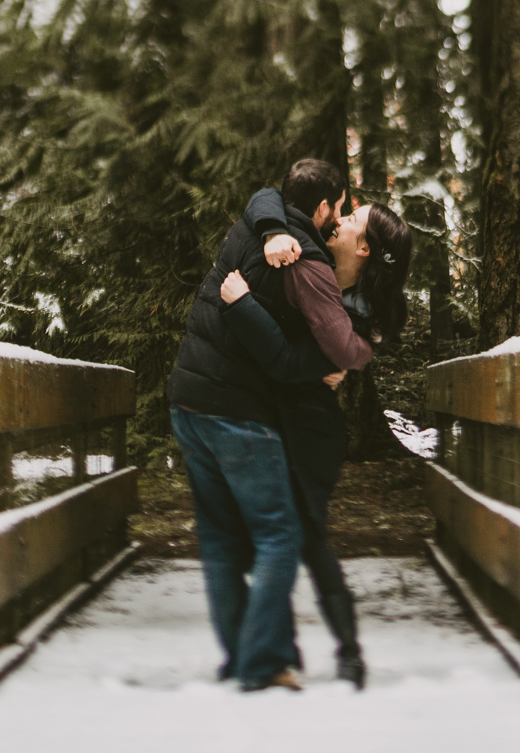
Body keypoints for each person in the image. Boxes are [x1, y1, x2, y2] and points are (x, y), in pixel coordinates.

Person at [165, 158, 357, 692]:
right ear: (321, 207)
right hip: (235, 412)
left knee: (221, 538)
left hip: (187, 401)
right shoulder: (304, 258)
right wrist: (326, 364)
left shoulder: (255, 222)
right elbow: (285, 362)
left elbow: (262, 196)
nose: (339, 221)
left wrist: (272, 224)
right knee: (280, 533)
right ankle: (263, 661)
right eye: (338, 209)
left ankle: (239, 655)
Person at [219, 194, 414, 690]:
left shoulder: (357, 317)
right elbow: (271, 199)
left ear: (366, 248)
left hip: (311, 430)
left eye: (352, 221)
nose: (341, 221)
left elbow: (292, 358)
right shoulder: (317, 271)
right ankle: (281, 649)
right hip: (280, 416)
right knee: (277, 536)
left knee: (303, 535)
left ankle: (343, 651)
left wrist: (242, 306)